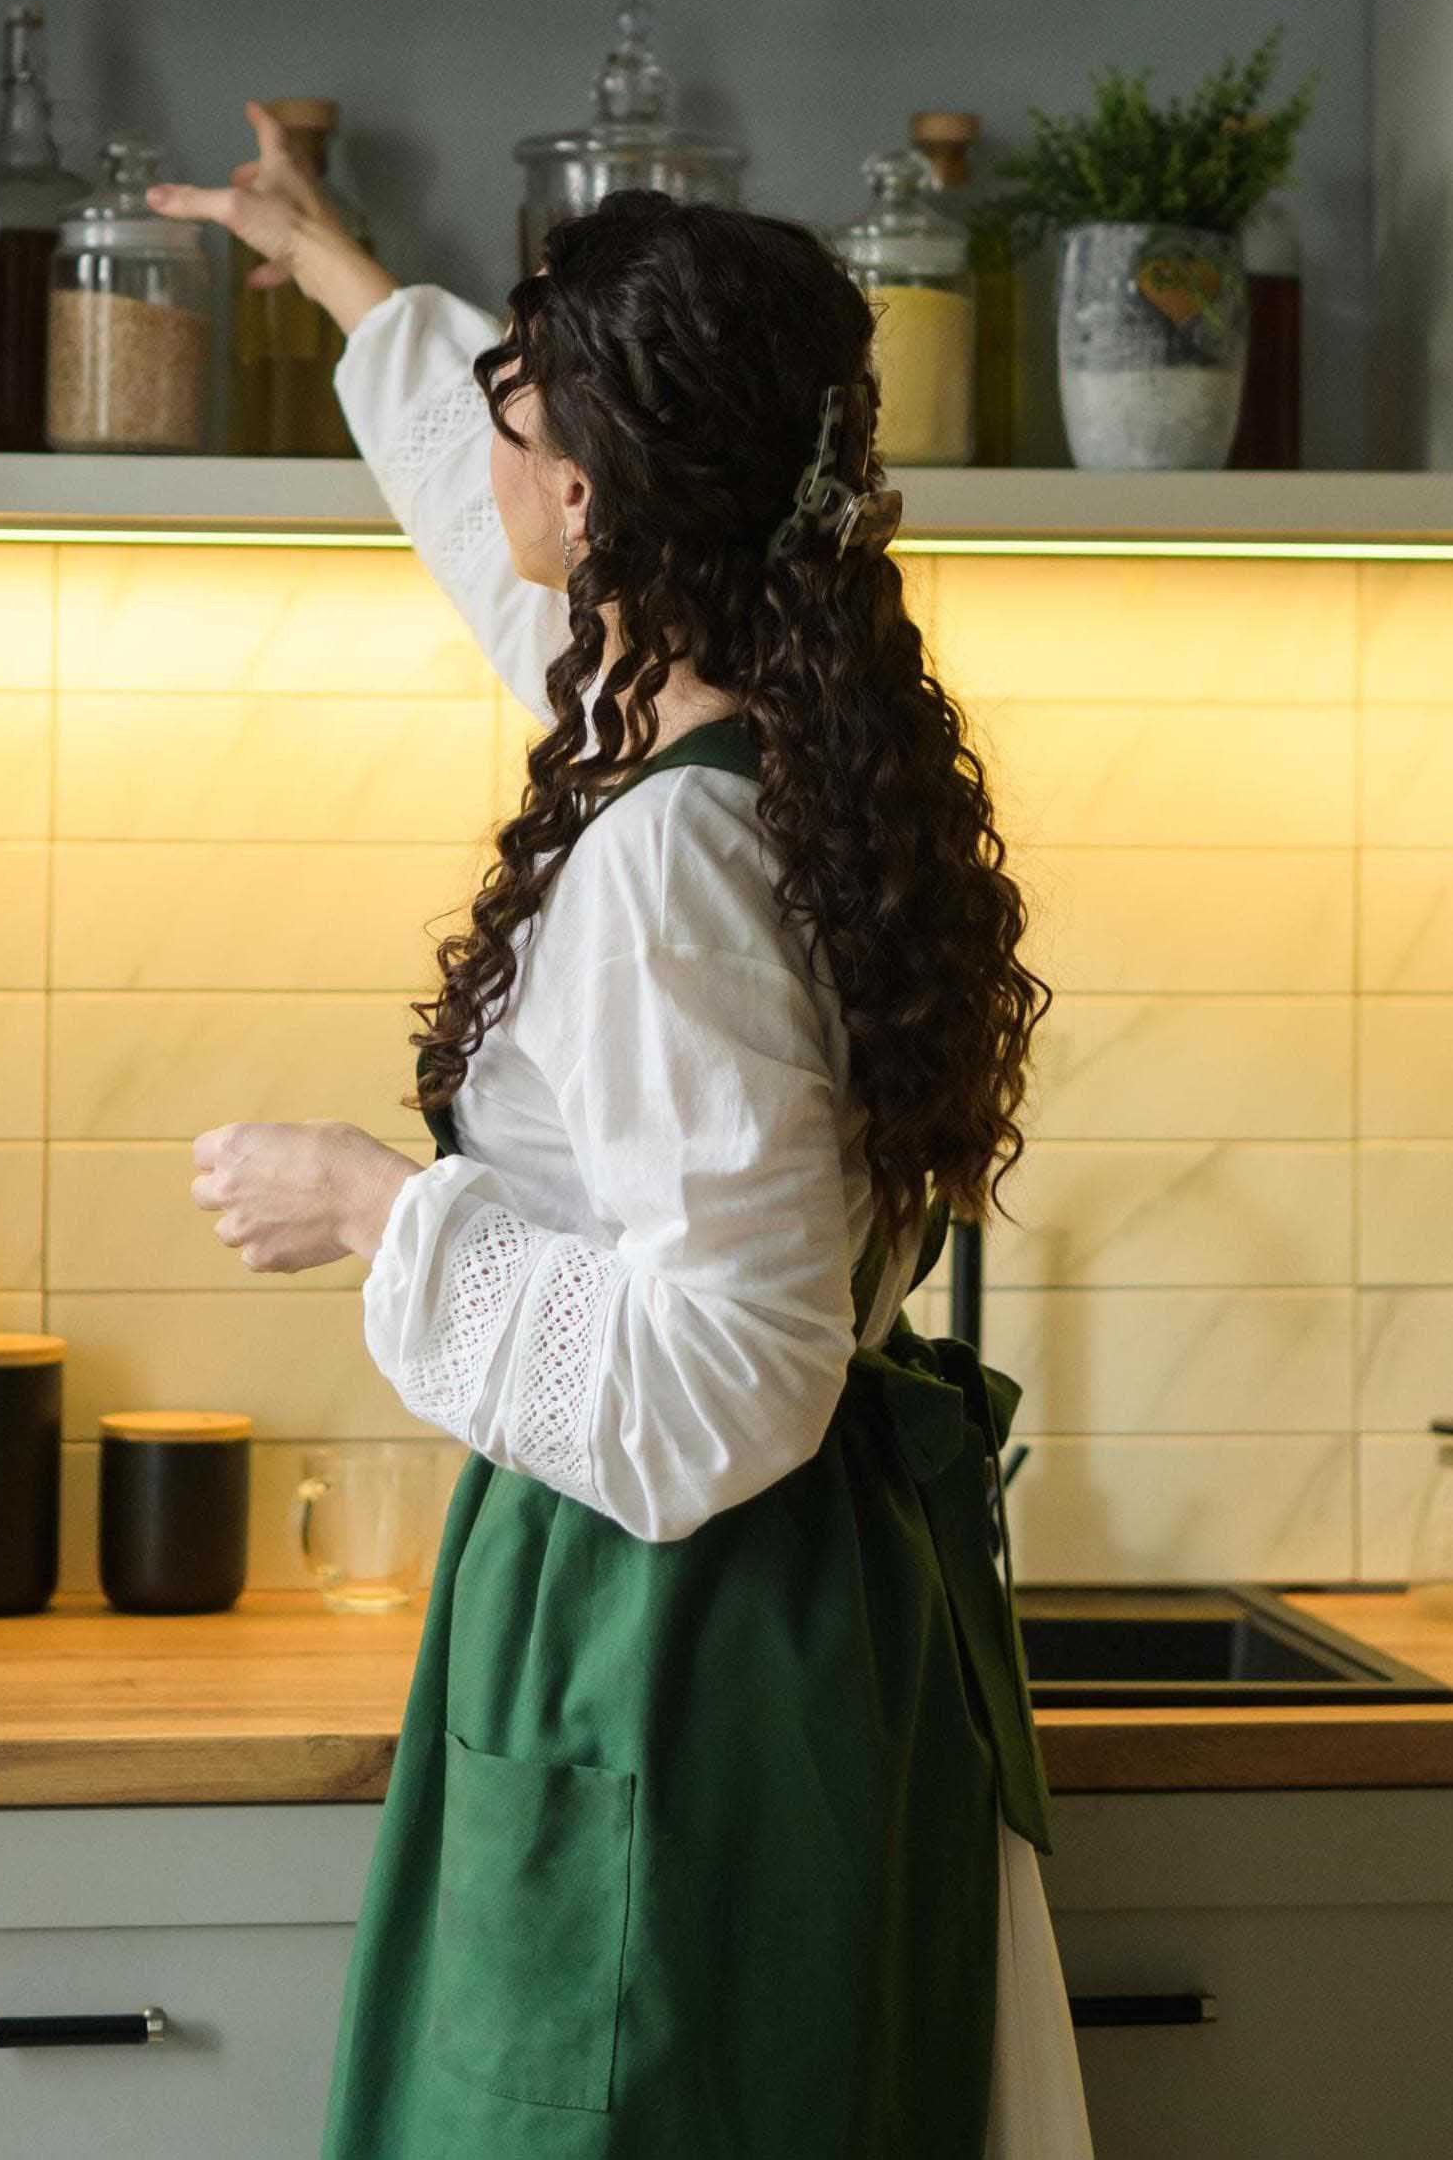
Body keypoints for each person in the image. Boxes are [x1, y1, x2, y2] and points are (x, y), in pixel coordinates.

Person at [154, 104, 1095, 2159]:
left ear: (587, 497)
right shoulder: (734, 705)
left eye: (515, 421)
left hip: (675, 1635)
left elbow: (724, 1371)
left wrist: (381, 1210)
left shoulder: (671, 867)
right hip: (785, 1607)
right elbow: (475, 521)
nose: (482, 457)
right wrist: (328, 265)